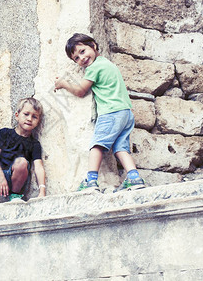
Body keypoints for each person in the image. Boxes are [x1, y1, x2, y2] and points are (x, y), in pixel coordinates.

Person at [54, 33, 145, 192]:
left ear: (94, 46)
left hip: (110, 113)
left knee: (97, 145)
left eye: (82, 51)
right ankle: (134, 177)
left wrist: (63, 83)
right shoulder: (107, 63)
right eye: (76, 58)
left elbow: (81, 91)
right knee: (120, 148)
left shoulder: (94, 68)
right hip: (125, 113)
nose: (81, 59)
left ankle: (91, 181)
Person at [0, 97, 47, 206]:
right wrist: (1, 177)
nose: (29, 119)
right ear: (17, 115)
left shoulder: (34, 144)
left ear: (38, 121)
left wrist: (42, 191)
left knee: (22, 162)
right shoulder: (4, 133)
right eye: (26, 114)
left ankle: (15, 194)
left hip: (16, 181)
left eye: (34, 116)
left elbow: (39, 167)